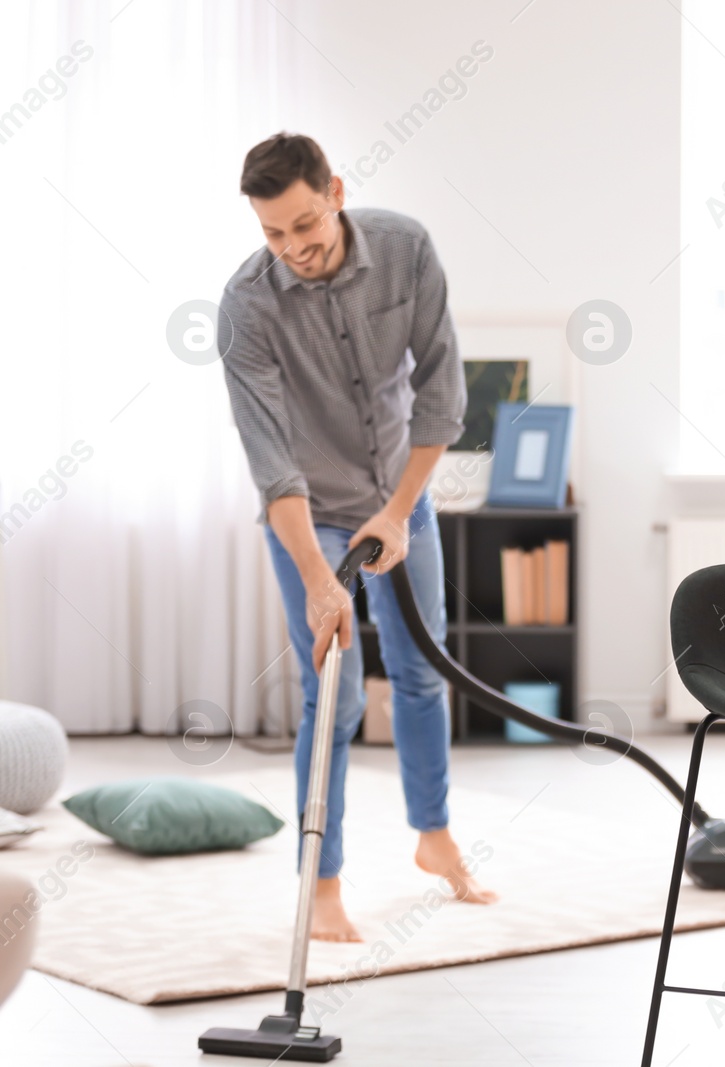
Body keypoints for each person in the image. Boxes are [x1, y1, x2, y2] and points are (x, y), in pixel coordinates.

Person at [219, 132, 495, 942]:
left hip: (400, 498)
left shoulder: (406, 249)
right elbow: (272, 464)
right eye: (274, 234)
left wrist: (400, 509)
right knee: (329, 693)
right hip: (307, 514)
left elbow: (442, 395)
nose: (293, 247)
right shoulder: (247, 305)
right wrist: (318, 575)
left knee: (420, 671)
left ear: (333, 190)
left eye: (304, 223)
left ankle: (435, 838)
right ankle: (323, 879)